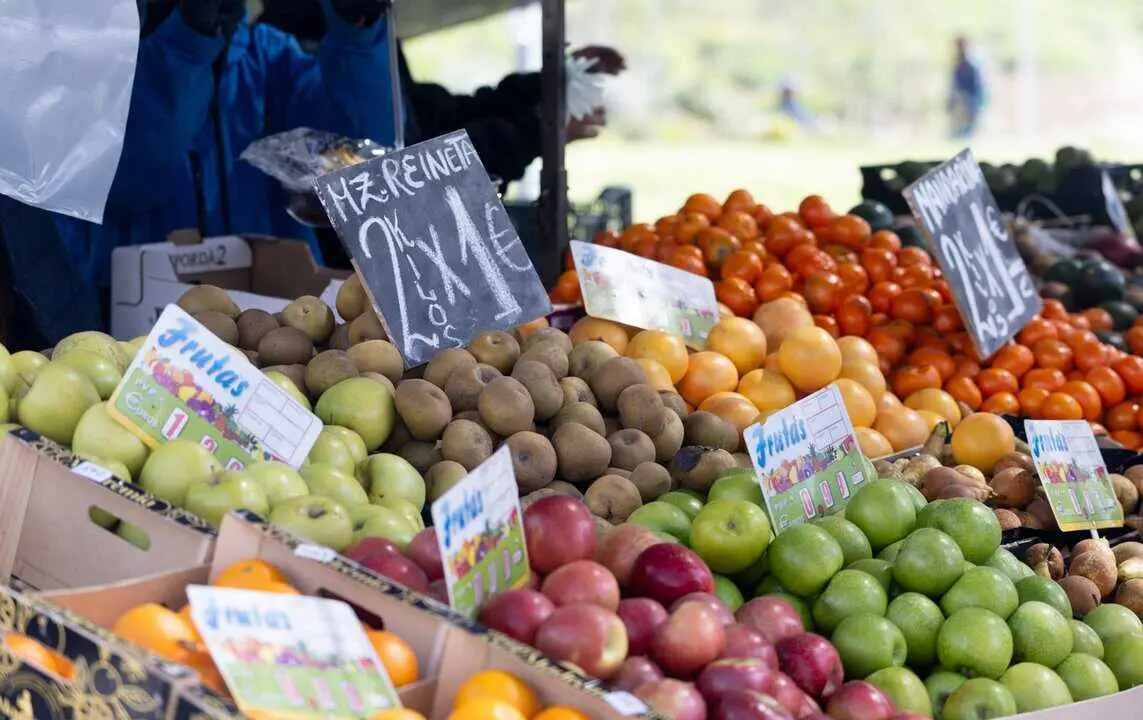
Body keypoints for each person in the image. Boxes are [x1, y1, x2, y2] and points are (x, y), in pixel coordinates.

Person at [43, 0, 396, 325]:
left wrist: (357, 34)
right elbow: (127, 184)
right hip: (142, 314)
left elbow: (356, 158)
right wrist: (188, 40)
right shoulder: (104, 55)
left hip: (276, 311)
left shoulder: (268, 54)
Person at [257, 0, 624, 185]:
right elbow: (401, 168)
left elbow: (430, 119)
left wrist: (547, 85)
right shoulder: (296, 44)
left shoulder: (368, 26)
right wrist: (535, 130)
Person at [949, 35, 986, 139]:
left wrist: (975, 104)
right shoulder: (957, 65)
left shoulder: (971, 66)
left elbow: (977, 87)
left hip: (970, 103)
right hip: (960, 103)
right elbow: (954, 85)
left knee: (968, 132)